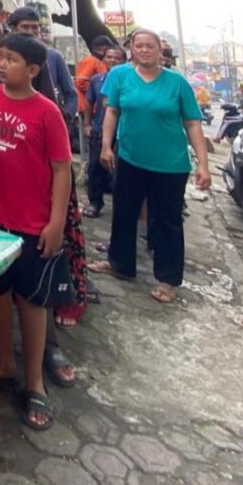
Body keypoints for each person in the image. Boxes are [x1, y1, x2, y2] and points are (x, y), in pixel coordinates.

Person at [0, 0, 78, 387]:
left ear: (2, 16)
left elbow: (58, 153)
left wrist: (57, 217)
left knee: (36, 287)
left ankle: (44, 359)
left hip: (35, 190)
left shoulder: (34, 66)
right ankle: (2, 361)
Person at [0, 34, 73, 431]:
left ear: (32, 70)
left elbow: (62, 169)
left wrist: (56, 221)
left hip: (33, 226)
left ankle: (34, 382)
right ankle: (3, 364)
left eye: (12, 59)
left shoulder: (47, 112)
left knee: (33, 305)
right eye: (2, 57)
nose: (2, 64)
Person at [88, 29, 211, 304]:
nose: (143, 50)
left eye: (149, 46)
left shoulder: (177, 83)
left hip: (171, 164)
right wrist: (107, 146)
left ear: (159, 50)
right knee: (124, 211)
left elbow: (192, 123)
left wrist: (203, 164)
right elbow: (112, 111)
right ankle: (119, 264)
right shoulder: (120, 76)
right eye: (138, 45)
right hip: (131, 158)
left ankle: (168, 279)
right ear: (131, 49)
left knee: (167, 220)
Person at [7, 6, 77, 118]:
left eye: (35, 27)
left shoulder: (54, 57)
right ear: (13, 29)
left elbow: (71, 95)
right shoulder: (5, 58)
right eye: (25, 27)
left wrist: (63, 117)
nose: (30, 32)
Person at [83, 45, 127, 218]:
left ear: (124, 61)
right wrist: (87, 124)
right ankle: (95, 202)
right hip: (99, 130)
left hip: (122, 133)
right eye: (109, 57)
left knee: (120, 173)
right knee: (95, 168)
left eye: (117, 58)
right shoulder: (97, 80)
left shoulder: (128, 80)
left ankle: (123, 208)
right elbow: (89, 102)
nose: (113, 60)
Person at [75, 35, 113, 113]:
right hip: (88, 108)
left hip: (97, 107)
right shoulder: (90, 61)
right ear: (104, 48)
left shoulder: (100, 61)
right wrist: (99, 91)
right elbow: (81, 82)